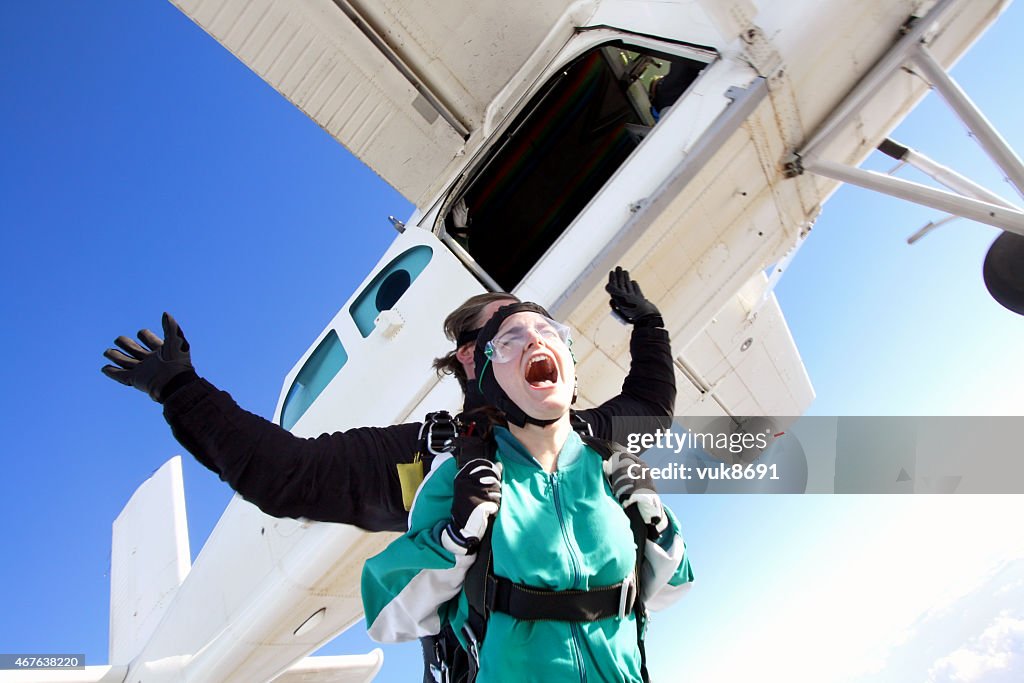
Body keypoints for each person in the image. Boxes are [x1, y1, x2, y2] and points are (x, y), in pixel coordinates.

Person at [99, 268, 674, 533]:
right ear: (472, 360)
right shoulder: (429, 458)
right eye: (510, 325)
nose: (536, 333)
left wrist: (650, 327)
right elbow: (287, 476)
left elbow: (651, 409)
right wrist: (179, 389)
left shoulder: (588, 437)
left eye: (544, 324)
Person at [361, 302, 692, 682]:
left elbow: (670, 589)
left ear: (570, 365)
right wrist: (453, 541)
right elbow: (387, 617)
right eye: (510, 340)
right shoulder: (461, 475)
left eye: (548, 331)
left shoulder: (610, 465)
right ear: (491, 380)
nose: (534, 338)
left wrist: (658, 527)